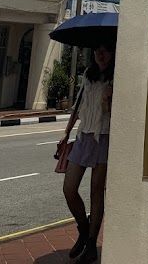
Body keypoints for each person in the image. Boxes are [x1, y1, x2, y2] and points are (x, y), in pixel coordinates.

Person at [59, 43, 114, 262]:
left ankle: (91, 243)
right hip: (83, 137)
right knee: (69, 188)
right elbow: (78, 105)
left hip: (104, 137)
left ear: (113, 53)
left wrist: (109, 100)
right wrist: (66, 133)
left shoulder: (115, 78)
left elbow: (116, 113)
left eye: (106, 50)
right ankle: (83, 229)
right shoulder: (87, 75)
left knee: (96, 192)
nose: (101, 54)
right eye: (97, 50)